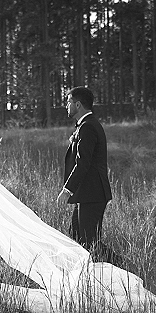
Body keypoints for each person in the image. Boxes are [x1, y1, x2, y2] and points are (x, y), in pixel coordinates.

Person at [56, 86, 120, 265]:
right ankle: (93, 273)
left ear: (78, 104)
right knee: (77, 233)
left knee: (89, 240)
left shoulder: (89, 127)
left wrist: (67, 190)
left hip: (93, 193)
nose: (66, 106)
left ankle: (123, 268)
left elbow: (83, 163)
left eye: (68, 102)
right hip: (87, 193)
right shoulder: (85, 125)